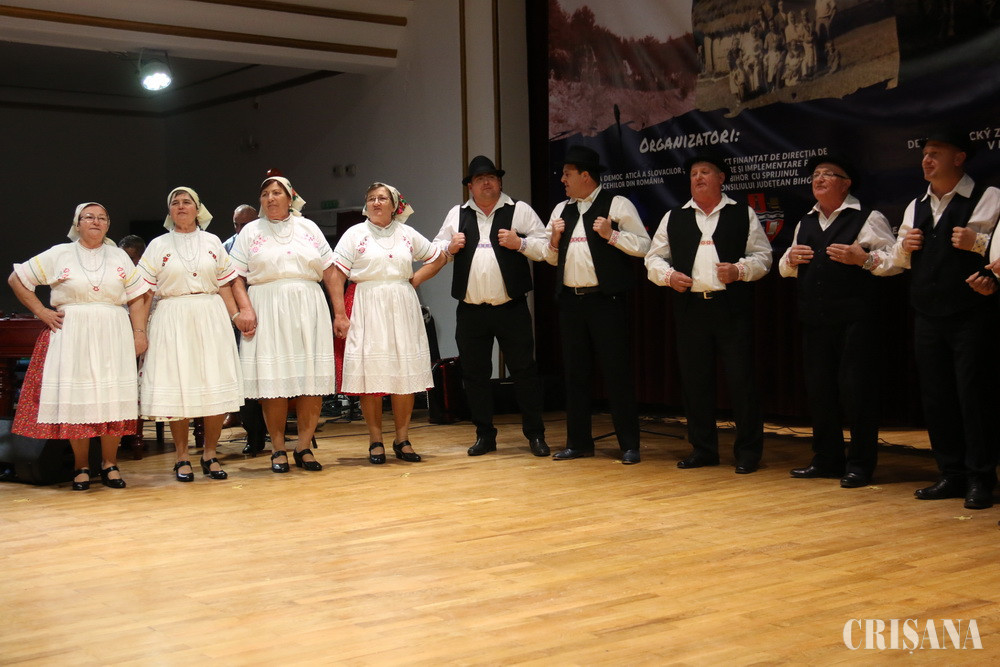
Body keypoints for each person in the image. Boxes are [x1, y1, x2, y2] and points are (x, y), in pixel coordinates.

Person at [887, 128, 1000, 509]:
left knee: (974, 396)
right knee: (937, 396)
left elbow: (997, 251)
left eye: (936, 152)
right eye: (924, 153)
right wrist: (904, 247)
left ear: (959, 157)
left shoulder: (988, 197)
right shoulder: (915, 205)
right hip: (927, 312)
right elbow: (898, 259)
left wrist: (977, 243)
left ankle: (981, 477)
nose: (927, 159)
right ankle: (950, 473)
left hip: (972, 312)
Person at [645, 150, 772, 473]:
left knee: (741, 381)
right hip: (691, 309)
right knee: (695, 382)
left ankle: (748, 452)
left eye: (705, 172)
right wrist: (668, 276)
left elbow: (763, 256)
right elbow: (653, 258)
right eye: (693, 174)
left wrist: (740, 271)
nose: (698, 178)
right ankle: (703, 449)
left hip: (731, 309)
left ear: (721, 178)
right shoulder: (674, 216)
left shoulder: (741, 213)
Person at [779, 154, 901, 487]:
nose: (818, 179)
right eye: (815, 175)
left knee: (857, 392)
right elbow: (785, 269)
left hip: (855, 320)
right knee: (820, 391)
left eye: (827, 174)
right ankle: (827, 459)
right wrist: (791, 259)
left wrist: (864, 259)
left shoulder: (867, 217)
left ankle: (860, 464)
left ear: (846, 184)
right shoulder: (805, 221)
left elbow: (895, 260)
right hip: (815, 319)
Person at [8, 203, 149, 490]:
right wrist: (42, 312)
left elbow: (137, 296)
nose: (96, 222)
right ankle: (81, 466)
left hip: (112, 331)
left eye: (102, 218)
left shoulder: (119, 256)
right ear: (77, 223)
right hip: (73, 333)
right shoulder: (60, 253)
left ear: (108, 225)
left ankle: (110, 464)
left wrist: (139, 333)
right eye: (89, 217)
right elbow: (17, 279)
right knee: (78, 399)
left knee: (113, 397)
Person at [432, 156, 550, 457]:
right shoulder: (457, 214)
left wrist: (520, 243)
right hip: (471, 311)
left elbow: (547, 248)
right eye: (480, 179)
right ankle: (484, 434)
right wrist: (449, 247)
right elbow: (434, 249)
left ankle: (535, 434)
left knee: (524, 372)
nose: (486, 182)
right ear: (470, 187)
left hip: (511, 308)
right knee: (474, 375)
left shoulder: (519, 210)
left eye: (492, 177)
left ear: (499, 182)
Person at [544, 145, 650, 464]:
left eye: (567, 174)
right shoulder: (561, 209)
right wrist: (553, 242)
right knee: (575, 374)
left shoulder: (616, 204)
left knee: (616, 372)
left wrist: (612, 235)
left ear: (585, 176)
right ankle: (578, 443)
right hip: (571, 302)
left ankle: (629, 444)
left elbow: (644, 246)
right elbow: (551, 259)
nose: (562, 179)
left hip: (605, 301)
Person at [131, 187, 244, 482]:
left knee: (214, 384)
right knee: (178, 386)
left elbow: (225, 284)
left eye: (187, 202)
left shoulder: (213, 241)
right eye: (175, 203)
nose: (181, 207)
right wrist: (139, 332)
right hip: (172, 318)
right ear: (169, 211)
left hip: (210, 317)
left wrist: (236, 316)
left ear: (198, 208)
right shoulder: (158, 245)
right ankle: (181, 456)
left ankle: (210, 454)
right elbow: (144, 293)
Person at [331, 182, 446, 464]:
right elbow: (336, 275)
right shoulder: (354, 234)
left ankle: (402, 438)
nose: (376, 203)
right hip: (366, 305)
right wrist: (339, 313)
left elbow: (438, 257)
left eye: (382, 198)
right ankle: (375, 440)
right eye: (371, 198)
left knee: (403, 374)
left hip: (401, 305)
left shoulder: (407, 233)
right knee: (371, 375)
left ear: (395, 205)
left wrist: (415, 280)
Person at [229, 175, 336, 473]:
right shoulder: (250, 231)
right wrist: (245, 309)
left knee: (310, 380)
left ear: (290, 198)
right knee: (273, 381)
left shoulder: (309, 228)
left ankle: (303, 447)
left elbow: (330, 271)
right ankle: (277, 448)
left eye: (277, 193)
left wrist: (339, 312)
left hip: (308, 305)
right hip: (266, 305)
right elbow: (235, 276)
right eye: (265, 194)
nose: (270, 198)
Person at [223, 203, 266, 456]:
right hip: (237, 320)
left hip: (269, 313)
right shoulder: (225, 248)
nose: (240, 229)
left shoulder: (266, 240)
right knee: (245, 378)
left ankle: (276, 429)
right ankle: (254, 434)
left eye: (245, 224)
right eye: (236, 224)